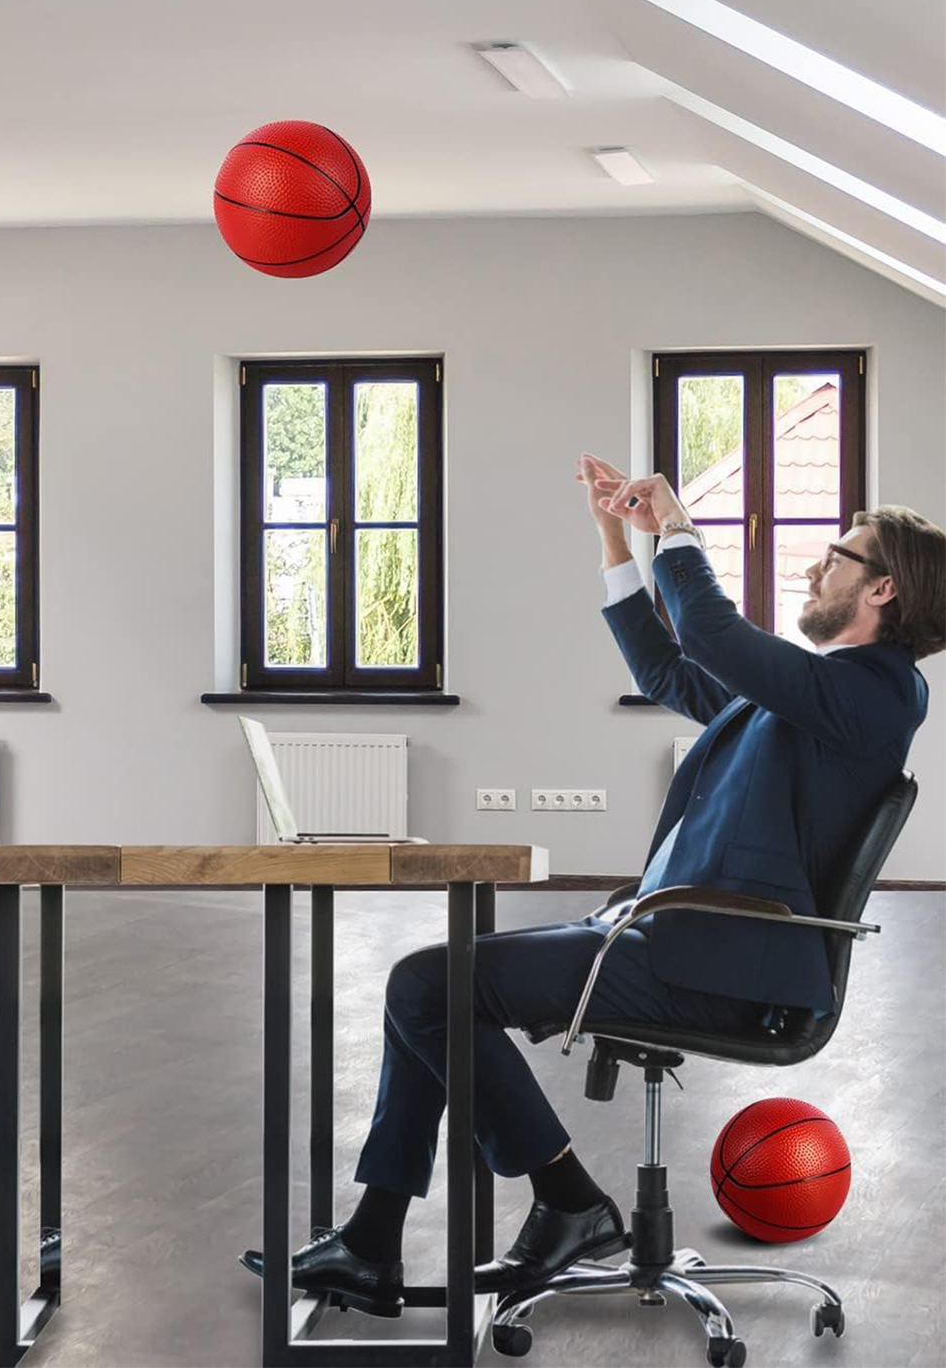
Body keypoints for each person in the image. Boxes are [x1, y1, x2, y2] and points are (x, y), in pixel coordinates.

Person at [241, 452, 946, 1314]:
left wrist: (679, 533)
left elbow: (713, 636)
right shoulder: (812, 696)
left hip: (721, 962)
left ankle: (559, 1202)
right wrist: (615, 537)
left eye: (837, 553)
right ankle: (383, 1242)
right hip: (682, 940)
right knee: (432, 985)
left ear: (883, 590)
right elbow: (669, 673)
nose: (813, 564)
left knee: (428, 984)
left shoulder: (876, 693)